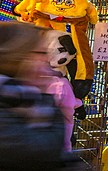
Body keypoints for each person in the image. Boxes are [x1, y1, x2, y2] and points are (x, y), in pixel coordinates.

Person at [0, 21, 84, 169]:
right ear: (16, 56)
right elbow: (44, 153)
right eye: (41, 53)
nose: (47, 60)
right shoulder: (13, 107)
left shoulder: (24, 100)